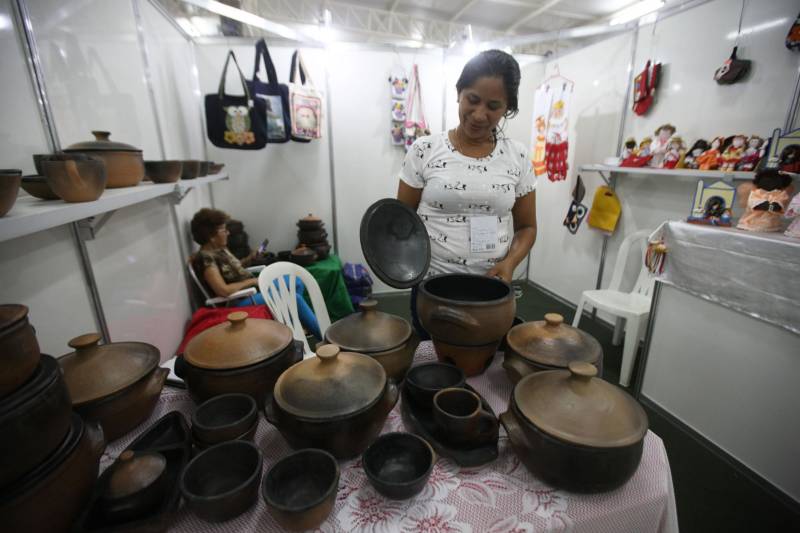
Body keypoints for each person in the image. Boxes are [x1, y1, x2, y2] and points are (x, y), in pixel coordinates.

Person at [396, 50, 537, 338]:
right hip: (431, 288)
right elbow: (401, 221)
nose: (480, 115)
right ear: (459, 92)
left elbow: (527, 227)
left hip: (492, 291)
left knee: (487, 361)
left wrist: (509, 263)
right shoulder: (425, 150)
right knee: (431, 359)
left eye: (494, 106)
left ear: (507, 108)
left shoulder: (518, 156)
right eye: (472, 99)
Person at [189, 208, 321, 337]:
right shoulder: (206, 258)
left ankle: (292, 325)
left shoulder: (220, 249)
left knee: (295, 281)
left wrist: (250, 258)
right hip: (238, 300)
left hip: (251, 289)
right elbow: (223, 290)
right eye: (224, 230)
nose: (228, 233)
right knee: (293, 298)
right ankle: (323, 335)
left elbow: (235, 269)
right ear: (211, 236)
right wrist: (251, 281)